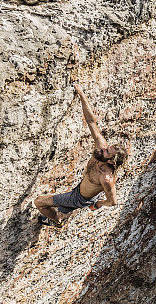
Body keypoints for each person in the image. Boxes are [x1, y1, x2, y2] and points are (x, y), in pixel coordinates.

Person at [33, 85, 127, 228]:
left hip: (80, 198)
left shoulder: (106, 178)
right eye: (108, 147)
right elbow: (91, 122)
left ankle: (57, 221)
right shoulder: (101, 149)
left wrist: (99, 204)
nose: (103, 149)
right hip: (83, 188)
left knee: (39, 202)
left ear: (111, 162)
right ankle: (64, 211)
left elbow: (113, 201)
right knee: (65, 204)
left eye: (107, 152)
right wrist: (82, 94)